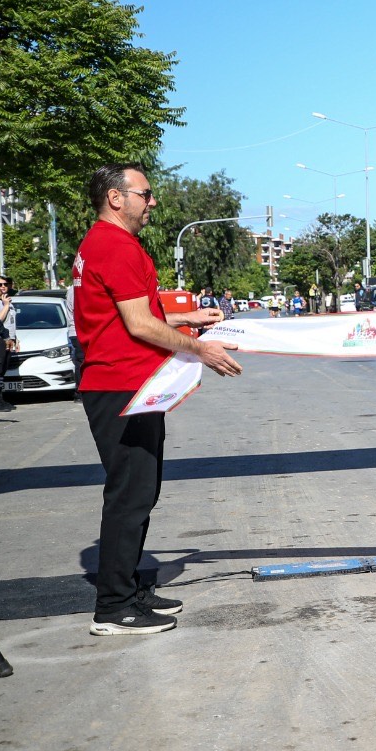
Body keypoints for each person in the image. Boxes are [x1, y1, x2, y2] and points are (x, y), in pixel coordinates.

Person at [74, 163, 242, 635]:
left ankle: (130, 589)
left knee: (142, 491)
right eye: (144, 195)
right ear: (115, 197)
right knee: (130, 495)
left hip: (130, 385)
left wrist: (190, 315)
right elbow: (140, 325)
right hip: (118, 386)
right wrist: (200, 347)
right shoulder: (114, 245)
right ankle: (113, 607)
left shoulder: (107, 244)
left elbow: (140, 307)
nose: (151, 203)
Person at [0, 275, 16, 414]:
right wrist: (6, 306)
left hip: (8, 339)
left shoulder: (6, 299)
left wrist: (15, 338)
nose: (4, 287)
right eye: (0, 285)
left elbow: (11, 322)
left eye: (6, 284)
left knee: (2, 371)